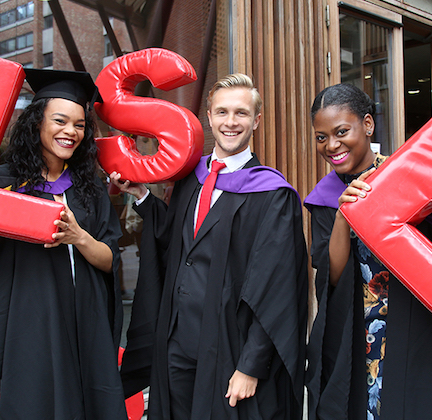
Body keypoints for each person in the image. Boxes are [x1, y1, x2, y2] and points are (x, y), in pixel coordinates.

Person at [0, 69, 127, 419]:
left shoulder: (90, 190)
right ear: (36, 123)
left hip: (81, 324)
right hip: (25, 332)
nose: (71, 132)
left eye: (79, 125)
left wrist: (78, 236)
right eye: (60, 121)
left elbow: (110, 260)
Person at [111, 73, 308, 420]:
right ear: (209, 117)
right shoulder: (192, 177)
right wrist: (141, 195)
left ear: (256, 120)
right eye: (222, 112)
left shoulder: (272, 195)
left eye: (241, 113)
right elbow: (174, 241)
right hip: (177, 342)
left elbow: (277, 289)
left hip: (230, 346)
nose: (230, 122)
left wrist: (251, 365)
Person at [303, 83, 432, 420]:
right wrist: (344, 216)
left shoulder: (407, 178)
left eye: (341, 132)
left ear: (367, 124)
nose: (331, 145)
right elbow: (332, 276)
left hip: (414, 324)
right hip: (357, 329)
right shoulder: (325, 198)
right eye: (321, 137)